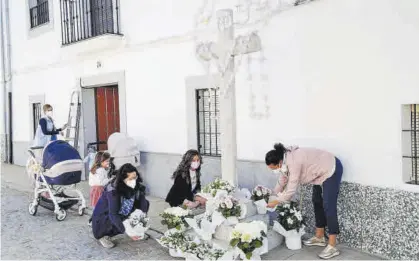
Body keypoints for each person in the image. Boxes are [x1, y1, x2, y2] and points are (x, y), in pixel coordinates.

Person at [265, 143, 343, 260]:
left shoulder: (294, 162)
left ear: (279, 163)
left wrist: (276, 202)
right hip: (318, 173)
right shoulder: (284, 162)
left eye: (274, 168)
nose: (274, 171)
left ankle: (332, 246)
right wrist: (271, 194)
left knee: (328, 205)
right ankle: (319, 237)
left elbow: (291, 190)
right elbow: (282, 180)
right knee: (316, 200)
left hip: (330, 168)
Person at [91, 163, 150, 248]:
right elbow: (113, 214)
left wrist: (140, 223)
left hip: (122, 211)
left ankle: (134, 228)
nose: (134, 180)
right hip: (104, 217)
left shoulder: (135, 185)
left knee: (145, 203)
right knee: (114, 219)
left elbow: (143, 202)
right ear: (123, 179)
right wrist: (128, 232)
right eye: (131, 178)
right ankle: (104, 235)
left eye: (135, 177)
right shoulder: (113, 191)